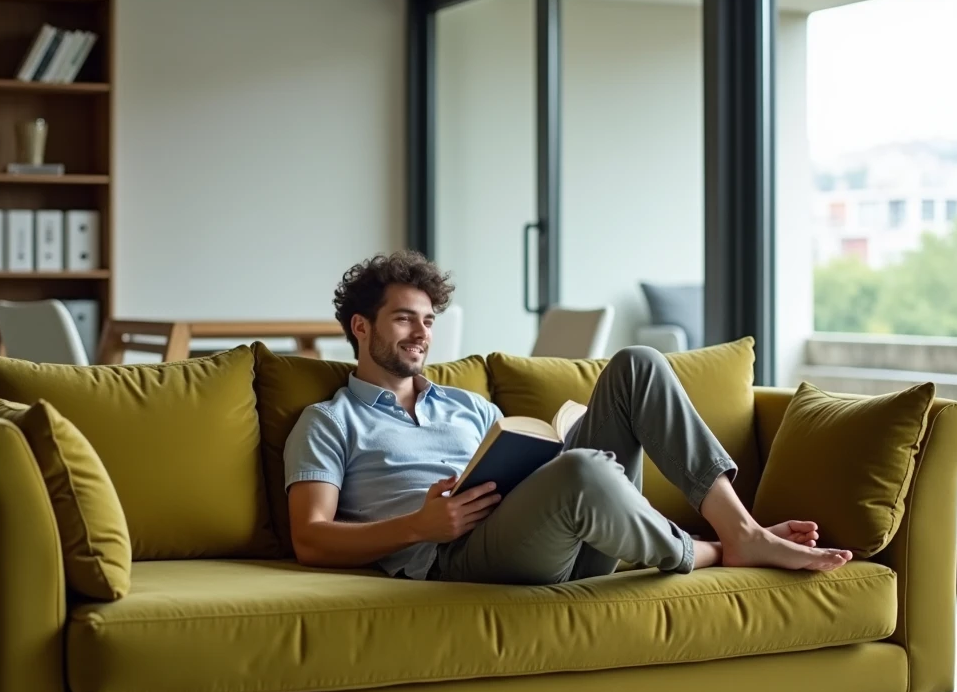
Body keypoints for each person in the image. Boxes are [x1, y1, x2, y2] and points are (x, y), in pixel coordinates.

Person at [283, 251, 852, 585]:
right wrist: (420, 527)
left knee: (637, 365)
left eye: (428, 320)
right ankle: (713, 550)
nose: (422, 334)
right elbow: (310, 540)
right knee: (583, 470)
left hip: (556, 535)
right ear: (361, 327)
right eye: (405, 320)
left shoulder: (467, 405)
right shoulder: (329, 422)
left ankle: (740, 530)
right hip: (456, 559)